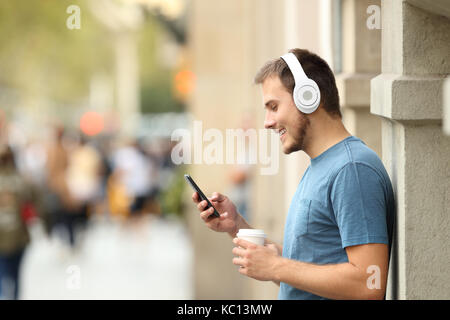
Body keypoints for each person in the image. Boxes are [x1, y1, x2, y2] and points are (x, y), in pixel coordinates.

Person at [192, 48, 395, 300]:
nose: (267, 122)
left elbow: (369, 283)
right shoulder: (323, 166)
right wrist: (237, 226)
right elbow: (305, 269)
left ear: (308, 96)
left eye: (273, 106)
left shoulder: (352, 170)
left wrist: (276, 266)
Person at [0, 145, 30, 300]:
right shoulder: (22, 180)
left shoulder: (22, 180)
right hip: (19, 236)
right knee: (15, 273)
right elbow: (32, 206)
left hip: (7, 237)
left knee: (3, 271)